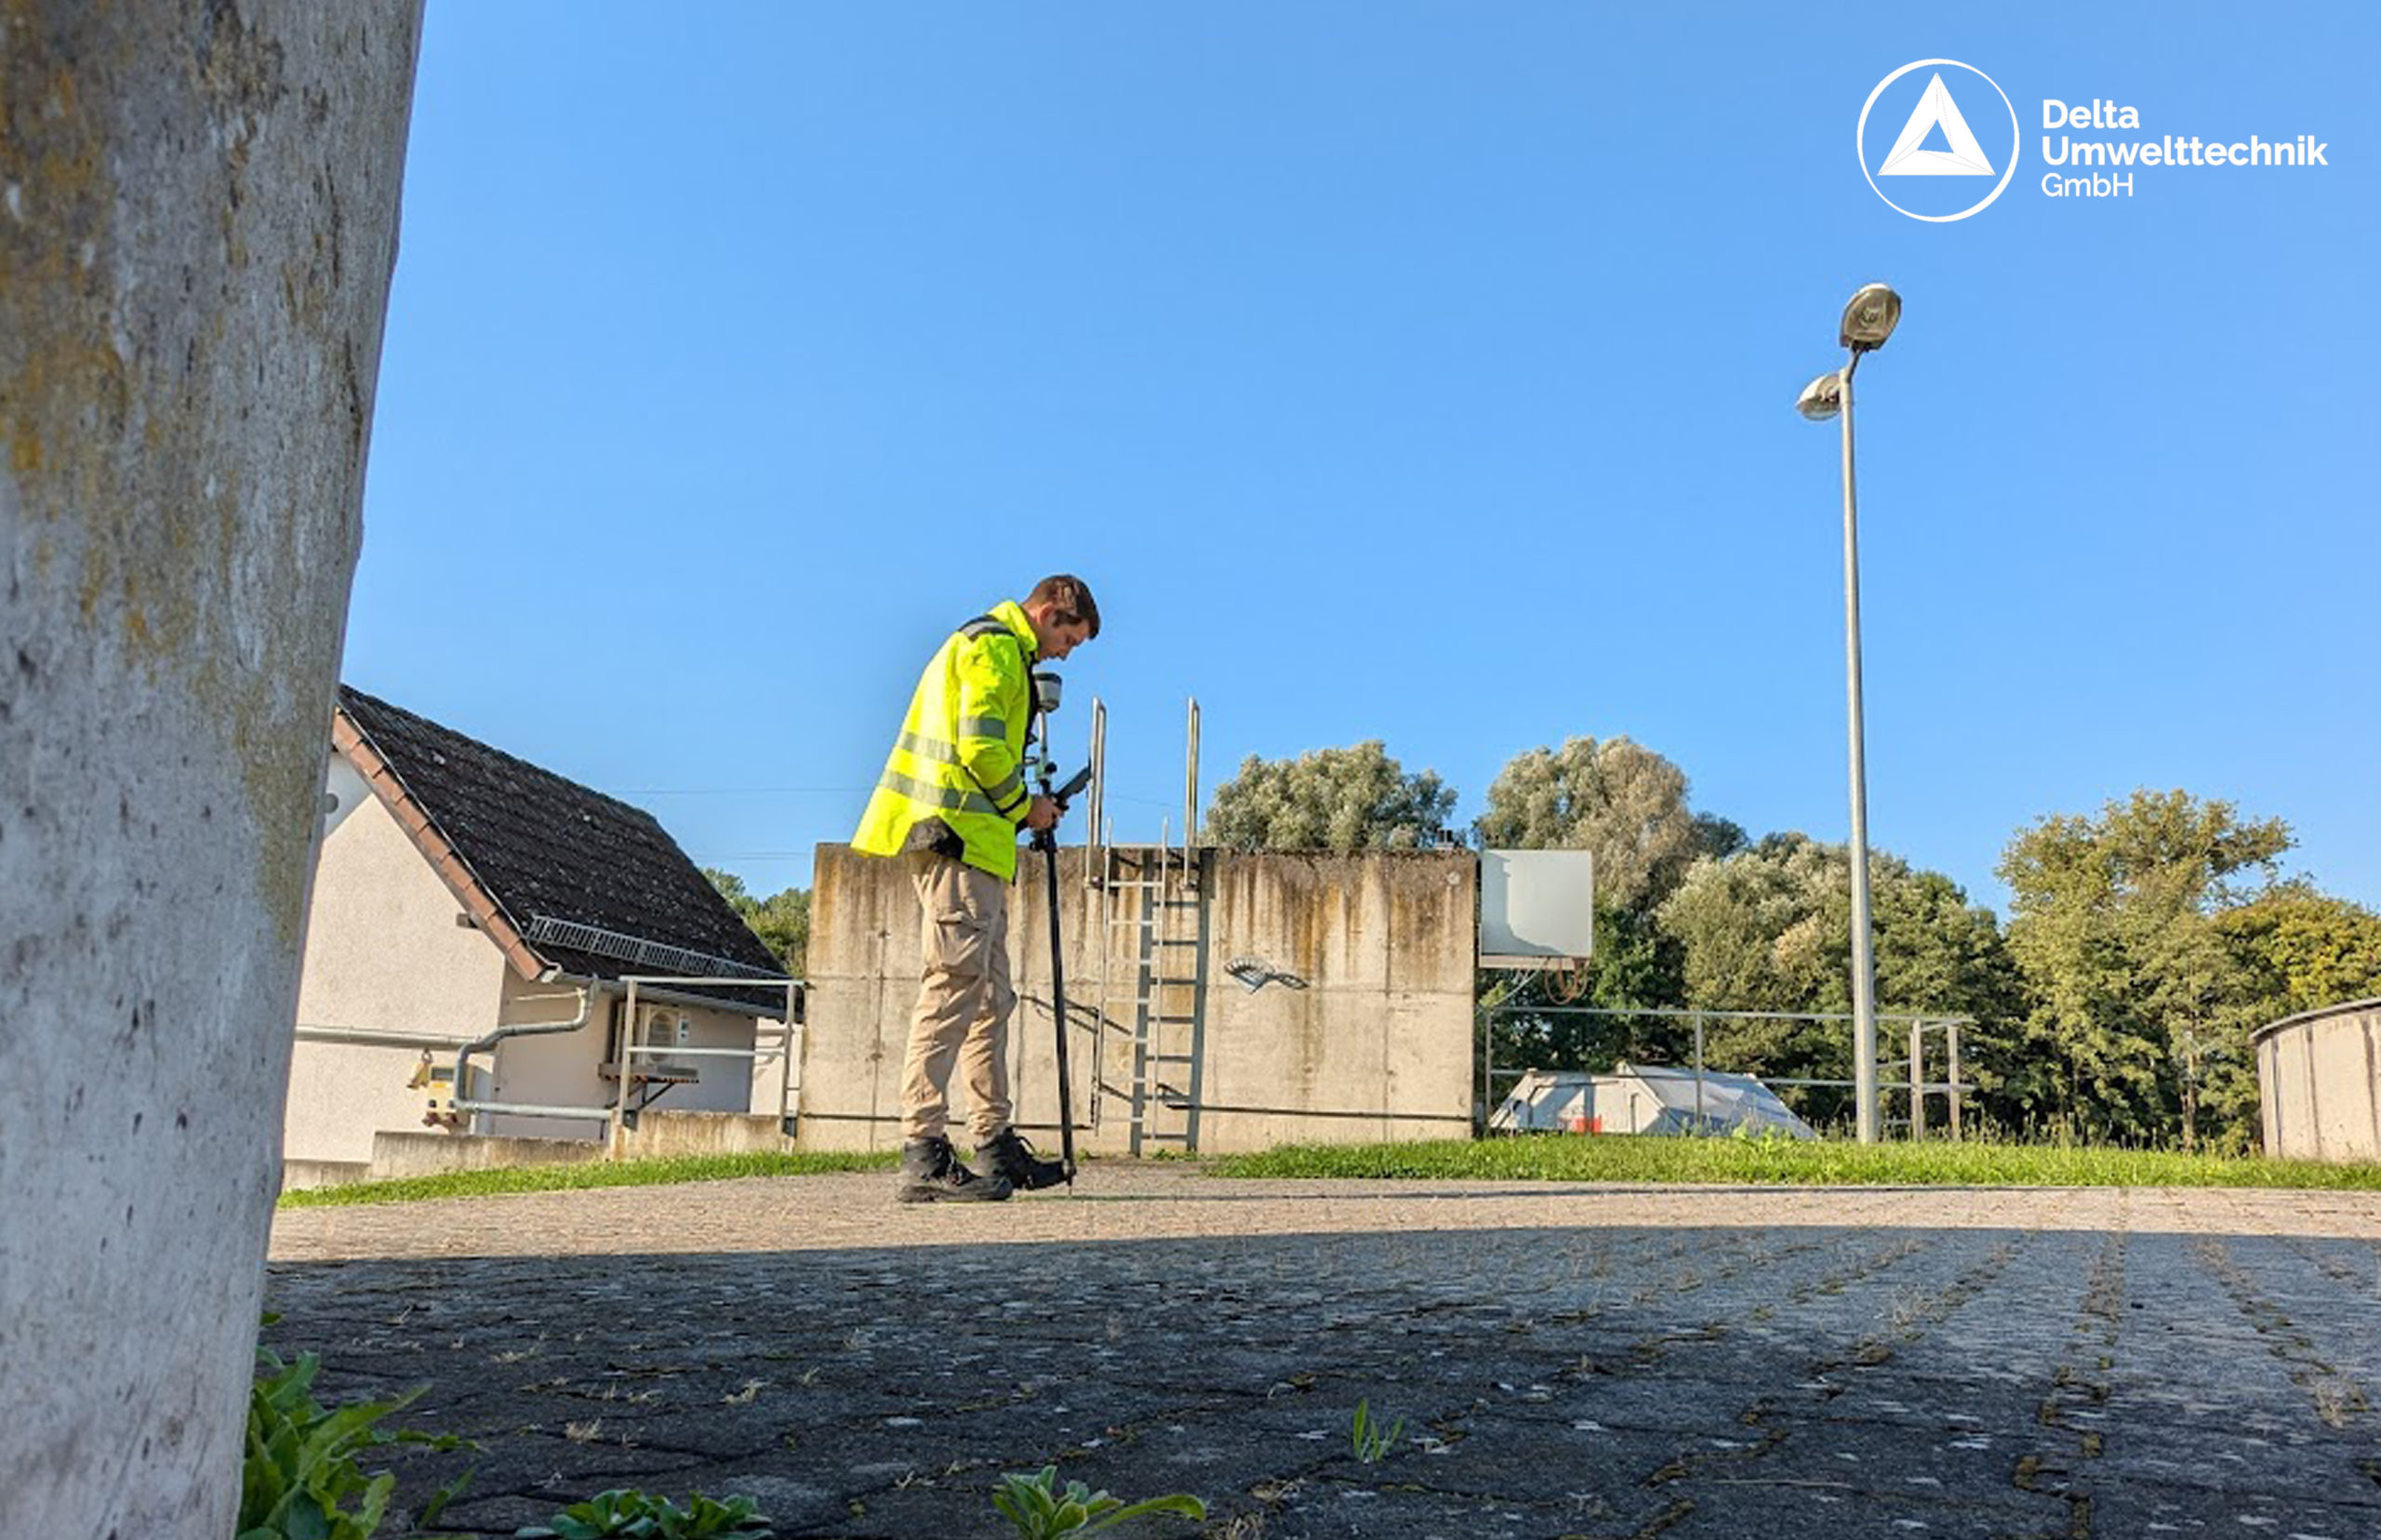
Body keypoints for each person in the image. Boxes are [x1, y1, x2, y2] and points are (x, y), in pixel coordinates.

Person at [851, 575, 1100, 1202]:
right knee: (952, 989)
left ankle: (994, 1143)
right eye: (1068, 638)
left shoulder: (1004, 653)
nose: (1066, 653)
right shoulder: (992, 650)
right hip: (957, 842)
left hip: (978, 849)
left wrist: (1023, 811)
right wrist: (1028, 809)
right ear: (1046, 613)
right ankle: (925, 1150)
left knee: (991, 999)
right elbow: (982, 750)